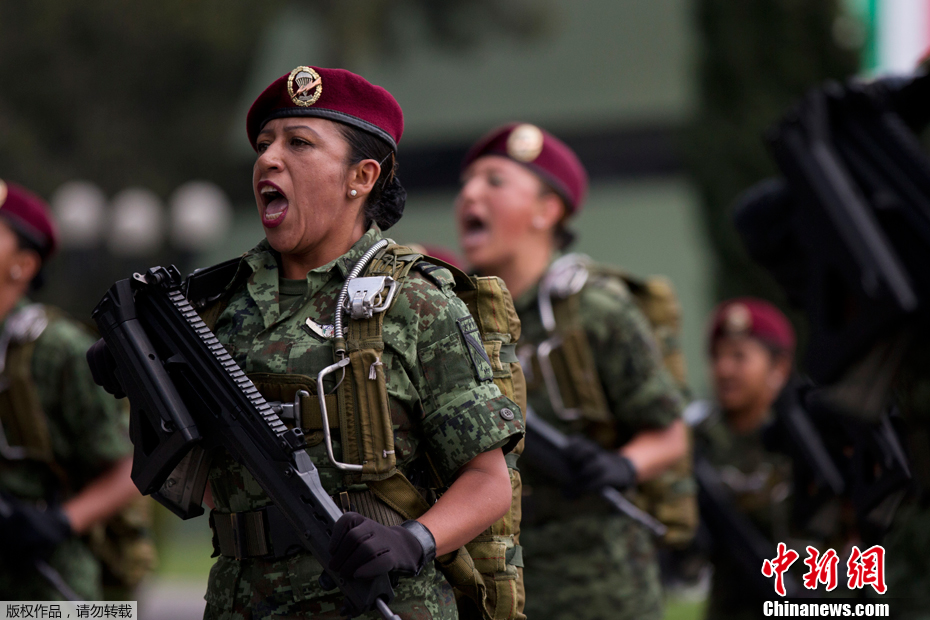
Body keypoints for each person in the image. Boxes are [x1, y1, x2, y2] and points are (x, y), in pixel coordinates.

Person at [196, 66, 524, 619]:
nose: (269, 159)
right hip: (239, 602)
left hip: (377, 603)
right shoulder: (217, 309)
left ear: (362, 176)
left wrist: (414, 541)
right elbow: (205, 479)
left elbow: (488, 482)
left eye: (299, 143)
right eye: (264, 144)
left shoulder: (416, 302)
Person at [455, 123, 688, 620]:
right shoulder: (454, 322)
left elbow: (670, 433)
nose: (469, 195)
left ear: (547, 210)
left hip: (601, 581)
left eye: (494, 181)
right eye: (466, 183)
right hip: (495, 578)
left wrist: (621, 466)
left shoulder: (596, 310)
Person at [0, 180, 141, 600]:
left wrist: (60, 522)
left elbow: (131, 465)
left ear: (22, 265)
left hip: (48, 581)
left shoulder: (58, 349)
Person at [691, 298, 795, 618]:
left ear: (778, 367)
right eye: (717, 356)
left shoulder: (801, 442)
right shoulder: (696, 440)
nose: (723, 369)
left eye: (739, 356)